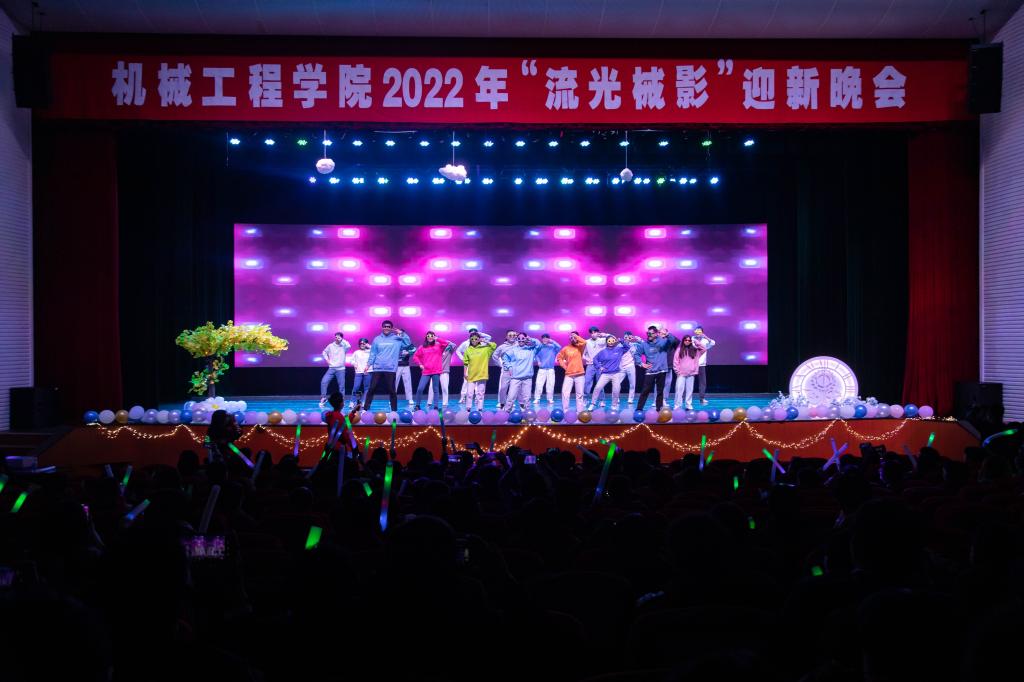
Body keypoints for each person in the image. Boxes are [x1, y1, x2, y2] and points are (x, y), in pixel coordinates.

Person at [360, 320, 413, 413]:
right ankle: (365, 409)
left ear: (391, 328)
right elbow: (373, 353)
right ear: (382, 327)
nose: (386, 328)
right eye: (385, 326)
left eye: (389, 326)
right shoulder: (377, 339)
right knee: (372, 389)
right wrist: (368, 365)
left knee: (392, 390)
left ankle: (394, 411)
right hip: (378, 368)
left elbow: (408, 344)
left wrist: (402, 334)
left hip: (390, 368)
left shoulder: (397, 339)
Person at [636, 325, 677, 411]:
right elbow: (636, 354)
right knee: (645, 391)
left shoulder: (663, 342)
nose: (649, 335)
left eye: (651, 333)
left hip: (661, 371)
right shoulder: (644, 344)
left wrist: (667, 334)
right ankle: (639, 409)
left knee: (660, 391)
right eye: (648, 333)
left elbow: (673, 340)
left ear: (656, 334)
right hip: (650, 371)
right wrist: (641, 363)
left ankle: (659, 409)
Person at [587, 335, 634, 411]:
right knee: (597, 387)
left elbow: (627, 347)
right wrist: (599, 367)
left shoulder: (619, 349)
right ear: (606, 342)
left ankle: (614, 405)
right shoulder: (603, 352)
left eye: (612, 340)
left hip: (616, 374)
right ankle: (592, 404)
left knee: (616, 390)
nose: (611, 342)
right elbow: (595, 359)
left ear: (615, 341)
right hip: (605, 374)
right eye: (609, 341)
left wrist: (621, 341)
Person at [412, 332, 454, 410]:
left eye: (432, 336)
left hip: (436, 371)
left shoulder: (439, 346)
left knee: (435, 389)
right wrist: (420, 364)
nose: (430, 337)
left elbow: (446, 343)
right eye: (428, 336)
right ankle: (417, 405)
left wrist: (437, 338)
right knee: (420, 388)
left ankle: (436, 406)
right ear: (426, 337)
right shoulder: (422, 347)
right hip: (426, 371)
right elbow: (415, 356)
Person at [453, 327, 492, 407]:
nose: (473, 335)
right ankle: (463, 397)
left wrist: (479, 334)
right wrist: (463, 359)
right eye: (471, 333)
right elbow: (458, 351)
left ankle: (477, 398)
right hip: (469, 364)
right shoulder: (466, 343)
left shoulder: (481, 343)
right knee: (466, 381)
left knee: (478, 383)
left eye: (474, 333)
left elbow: (489, 338)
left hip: (479, 365)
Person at [500, 334, 538, 410]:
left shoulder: (531, 350)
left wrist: (530, 339)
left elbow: (539, 344)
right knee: (511, 397)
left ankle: (527, 414)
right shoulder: (513, 350)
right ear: (517, 339)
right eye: (519, 338)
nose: (521, 340)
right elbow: (505, 357)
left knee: (527, 398)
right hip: (515, 378)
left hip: (527, 378)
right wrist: (509, 367)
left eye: (523, 338)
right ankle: (506, 412)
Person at [462, 332, 497, 410]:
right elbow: (465, 363)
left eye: (476, 339)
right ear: (470, 340)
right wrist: (465, 373)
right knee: (469, 393)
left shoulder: (485, 349)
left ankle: (479, 408)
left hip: (482, 374)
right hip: (471, 374)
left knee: (480, 393)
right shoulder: (468, 350)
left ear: (479, 339)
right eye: (472, 339)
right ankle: (468, 408)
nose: (474, 340)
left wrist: (484, 341)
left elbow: (494, 345)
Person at [556, 331, 588, 412]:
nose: (573, 338)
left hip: (580, 374)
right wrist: (565, 367)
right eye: (571, 337)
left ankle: (580, 412)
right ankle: (565, 411)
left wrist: (575, 336)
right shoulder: (566, 348)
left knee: (580, 394)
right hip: (569, 374)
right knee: (565, 393)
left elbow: (584, 342)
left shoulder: (580, 347)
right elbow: (559, 358)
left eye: (575, 337)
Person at [319, 332, 351, 409]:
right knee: (324, 382)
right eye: (336, 337)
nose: (337, 338)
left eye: (339, 337)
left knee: (341, 386)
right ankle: (323, 398)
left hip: (341, 369)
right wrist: (327, 360)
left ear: (342, 338)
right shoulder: (330, 346)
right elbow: (324, 352)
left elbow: (349, 346)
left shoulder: (344, 346)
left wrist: (342, 340)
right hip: (331, 368)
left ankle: (342, 401)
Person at [672, 335, 705, 410]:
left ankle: (688, 405)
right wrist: (677, 371)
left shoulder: (695, 350)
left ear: (691, 341)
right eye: (686, 340)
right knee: (679, 390)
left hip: (691, 374)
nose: (687, 341)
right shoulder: (679, 350)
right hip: (681, 374)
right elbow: (675, 361)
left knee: (689, 391)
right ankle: (677, 406)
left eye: (689, 340)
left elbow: (704, 349)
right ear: (683, 341)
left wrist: (696, 342)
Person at [532, 334, 561, 406]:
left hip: (551, 369)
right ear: (542, 339)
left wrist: (552, 341)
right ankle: (537, 398)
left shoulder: (553, 347)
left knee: (550, 384)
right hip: (542, 369)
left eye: (546, 338)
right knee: (539, 384)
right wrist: (538, 361)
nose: (544, 339)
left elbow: (559, 347)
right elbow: (536, 354)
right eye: (543, 338)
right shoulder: (540, 347)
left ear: (549, 339)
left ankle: (550, 398)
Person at [493, 330, 519, 409]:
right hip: (506, 370)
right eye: (510, 335)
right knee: (503, 387)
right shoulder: (502, 347)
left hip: (517, 370)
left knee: (514, 388)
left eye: (514, 335)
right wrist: (500, 364)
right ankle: (502, 402)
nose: (512, 337)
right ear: (506, 337)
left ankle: (511, 402)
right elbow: (494, 356)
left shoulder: (519, 345)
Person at [583, 326, 610, 398]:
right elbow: (582, 354)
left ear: (598, 333)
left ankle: (601, 399)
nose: (593, 334)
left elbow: (613, 339)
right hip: (590, 365)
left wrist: (605, 335)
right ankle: (585, 398)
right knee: (587, 382)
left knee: (600, 383)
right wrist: (587, 359)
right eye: (591, 333)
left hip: (600, 365)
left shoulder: (603, 340)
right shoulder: (587, 342)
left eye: (595, 332)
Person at [693, 325, 716, 405]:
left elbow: (713, 343)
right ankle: (686, 399)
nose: (698, 333)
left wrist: (706, 337)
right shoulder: (692, 339)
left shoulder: (705, 340)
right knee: (689, 382)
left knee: (702, 382)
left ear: (702, 332)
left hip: (702, 364)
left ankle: (702, 398)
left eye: (699, 331)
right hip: (692, 364)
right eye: (696, 331)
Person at [394, 330, 417, 409]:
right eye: (398, 334)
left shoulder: (407, 343)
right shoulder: (394, 343)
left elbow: (414, 349)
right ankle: (392, 398)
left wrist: (408, 352)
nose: (399, 335)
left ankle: (410, 398)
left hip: (405, 365)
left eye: (401, 334)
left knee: (408, 382)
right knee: (394, 383)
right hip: (396, 366)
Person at [349, 338, 372, 409]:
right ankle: (352, 402)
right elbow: (351, 360)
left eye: (364, 343)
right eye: (361, 343)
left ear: (366, 344)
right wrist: (354, 363)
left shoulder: (370, 351)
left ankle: (364, 402)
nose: (362, 344)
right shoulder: (356, 352)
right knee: (356, 387)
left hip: (368, 371)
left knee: (367, 388)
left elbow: (376, 352)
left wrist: (369, 346)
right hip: (358, 372)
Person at [621, 331, 642, 406]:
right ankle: (616, 398)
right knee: (617, 383)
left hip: (631, 365)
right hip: (621, 366)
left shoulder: (634, 345)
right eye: (625, 337)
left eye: (629, 337)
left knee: (632, 383)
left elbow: (643, 345)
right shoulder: (620, 344)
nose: (627, 338)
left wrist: (638, 339)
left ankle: (630, 399)